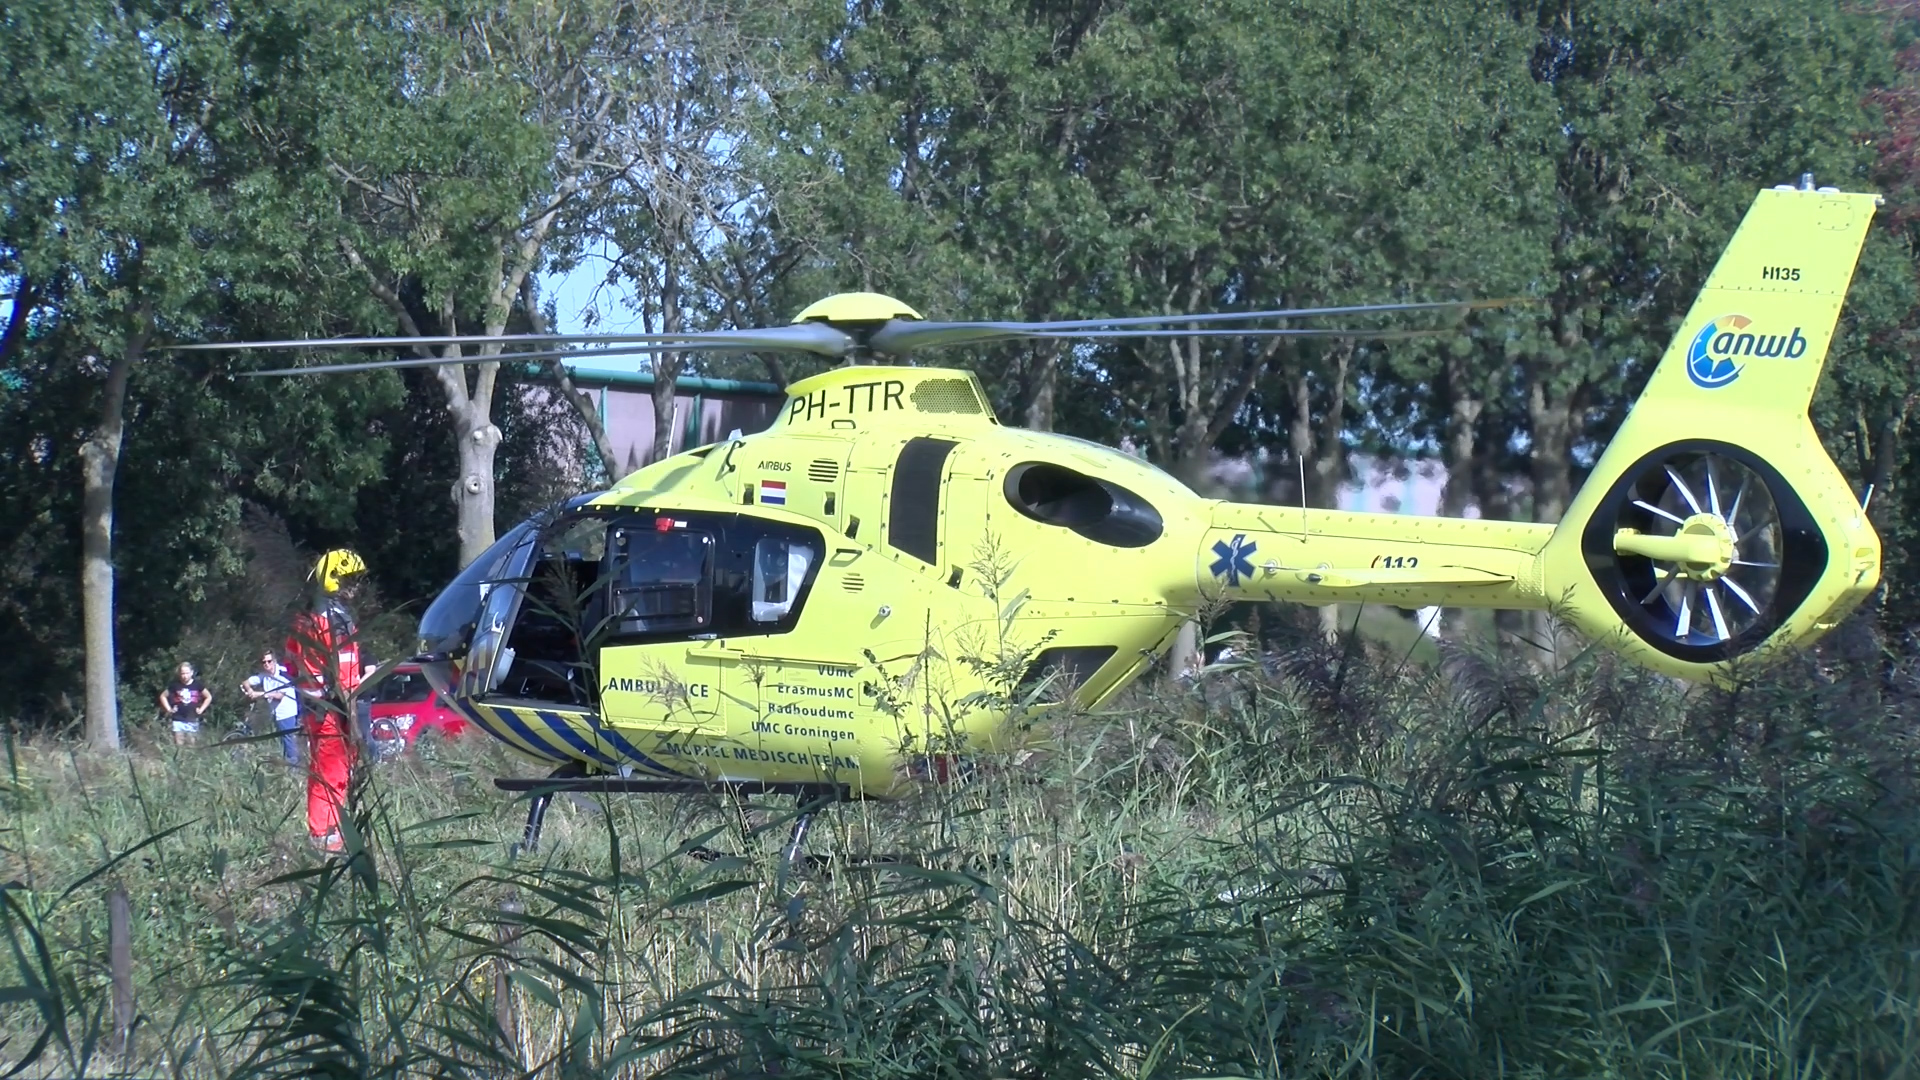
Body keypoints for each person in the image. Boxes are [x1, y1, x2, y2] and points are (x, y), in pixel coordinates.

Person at [285, 549, 368, 852]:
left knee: (320, 770)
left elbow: (292, 661)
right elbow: (345, 680)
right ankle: (327, 835)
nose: (356, 587)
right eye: (351, 580)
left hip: (311, 707)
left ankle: (321, 831)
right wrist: (355, 723)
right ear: (334, 580)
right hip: (334, 709)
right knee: (334, 771)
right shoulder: (337, 624)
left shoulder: (303, 620)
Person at [241, 651, 301, 765]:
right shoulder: (264, 675)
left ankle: (294, 769)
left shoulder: (284, 674)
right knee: (282, 741)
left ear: (274, 661)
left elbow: (279, 696)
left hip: (286, 713)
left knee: (289, 741)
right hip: (275, 713)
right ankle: (286, 766)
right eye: (264, 662)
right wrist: (250, 691)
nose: (267, 664)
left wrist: (259, 694)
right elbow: (246, 682)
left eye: (269, 661)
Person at [158, 661, 212, 745]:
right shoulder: (175, 685)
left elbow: (208, 697)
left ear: (191, 673)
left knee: (191, 744)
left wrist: (201, 709)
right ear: (179, 674)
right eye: (182, 673)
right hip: (178, 718)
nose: (185, 676)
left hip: (192, 718)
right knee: (179, 745)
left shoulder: (197, 685)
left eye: (187, 673)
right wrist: (169, 709)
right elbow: (163, 696)